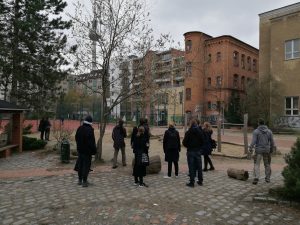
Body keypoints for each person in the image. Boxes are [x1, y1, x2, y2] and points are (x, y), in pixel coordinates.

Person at [249, 118, 275, 185]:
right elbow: (272, 142)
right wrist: (271, 149)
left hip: (258, 151)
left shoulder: (256, 131)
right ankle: (267, 178)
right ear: (264, 123)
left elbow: (253, 141)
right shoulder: (269, 131)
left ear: (258, 123)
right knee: (267, 164)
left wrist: (250, 148)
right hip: (267, 150)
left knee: (257, 164)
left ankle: (256, 178)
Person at [75, 115, 97, 187]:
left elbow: (76, 138)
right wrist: (94, 150)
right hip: (87, 152)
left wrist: (79, 146)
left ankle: (79, 180)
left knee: (80, 165)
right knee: (86, 166)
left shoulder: (80, 128)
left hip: (80, 150)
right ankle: (84, 181)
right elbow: (91, 142)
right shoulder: (90, 130)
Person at [182, 119, 204, 187]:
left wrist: (189, 146)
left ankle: (192, 182)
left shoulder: (188, 132)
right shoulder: (200, 132)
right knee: (199, 166)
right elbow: (203, 141)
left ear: (190, 124)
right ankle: (200, 181)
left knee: (191, 167)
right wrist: (199, 147)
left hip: (190, 151)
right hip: (197, 151)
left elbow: (184, 143)